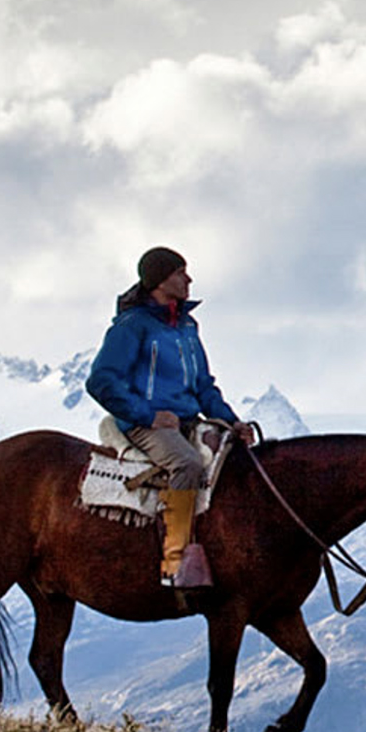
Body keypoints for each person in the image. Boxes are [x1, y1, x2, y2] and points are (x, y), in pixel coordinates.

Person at [86, 247, 255, 588]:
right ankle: (174, 562)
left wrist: (231, 421)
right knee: (187, 464)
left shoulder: (188, 326)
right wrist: (147, 414)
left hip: (186, 419)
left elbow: (204, 386)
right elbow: (101, 381)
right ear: (160, 280)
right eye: (180, 272)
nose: (188, 279)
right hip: (144, 424)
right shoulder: (132, 326)